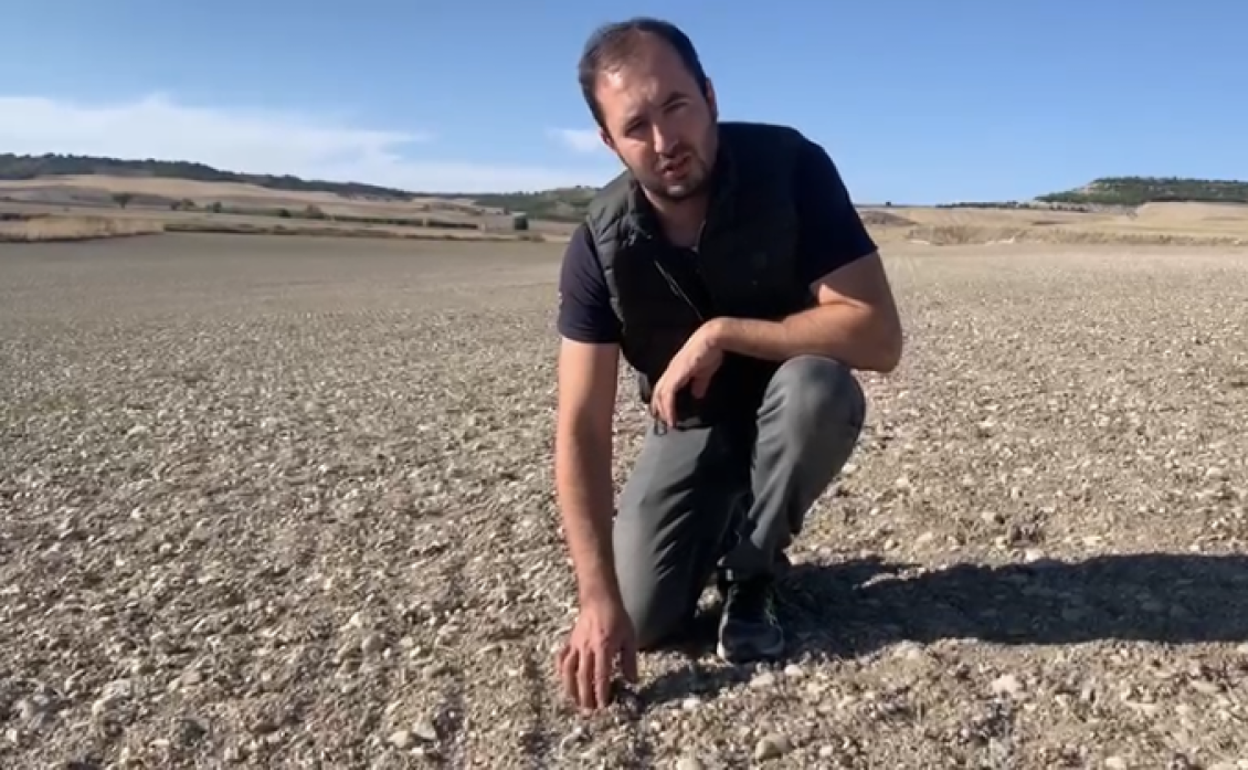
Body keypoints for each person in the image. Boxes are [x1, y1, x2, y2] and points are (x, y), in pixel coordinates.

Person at [552, 17, 904, 712]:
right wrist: (596, 600)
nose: (664, 142)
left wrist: (726, 333)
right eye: (636, 126)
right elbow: (581, 427)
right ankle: (727, 511)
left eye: (676, 106)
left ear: (710, 95)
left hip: (792, 400)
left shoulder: (791, 168)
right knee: (647, 621)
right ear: (607, 141)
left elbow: (878, 338)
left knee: (816, 390)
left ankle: (753, 572)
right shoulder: (599, 247)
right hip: (690, 429)